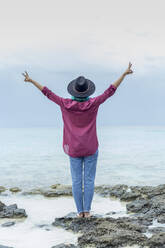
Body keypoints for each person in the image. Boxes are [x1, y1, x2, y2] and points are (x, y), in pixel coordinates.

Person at [22, 62, 133, 218]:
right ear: (87, 91)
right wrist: (124, 74)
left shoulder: (66, 104)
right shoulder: (92, 103)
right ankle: (87, 211)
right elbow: (110, 91)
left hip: (73, 149)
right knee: (88, 180)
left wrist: (31, 80)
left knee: (76, 181)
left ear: (74, 90)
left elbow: (47, 92)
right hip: (91, 148)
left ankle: (79, 212)